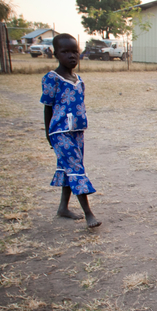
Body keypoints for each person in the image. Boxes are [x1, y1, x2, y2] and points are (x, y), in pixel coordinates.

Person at [40, 34, 101, 229]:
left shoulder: (78, 80)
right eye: (65, 52)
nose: (71, 56)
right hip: (60, 132)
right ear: (56, 53)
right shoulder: (52, 78)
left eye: (74, 51)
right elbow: (47, 107)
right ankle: (88, 213)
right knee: (76, 169)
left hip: (77, 132)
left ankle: (63, 208)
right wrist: (49, 134)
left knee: (69, 168)